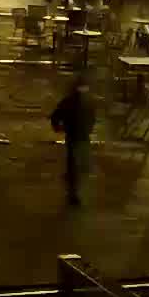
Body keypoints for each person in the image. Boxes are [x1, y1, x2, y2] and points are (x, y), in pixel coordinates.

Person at [50, 77, 96, 206]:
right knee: (76, 164)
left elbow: (56, 115)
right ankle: (73, 191)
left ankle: (72, 185)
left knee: (78, 165)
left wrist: (58, 127)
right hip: (76, 137)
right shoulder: (79, 101)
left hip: (79, 137)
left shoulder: (75, 101)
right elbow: (56, 116)